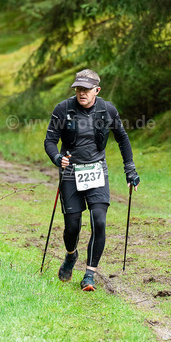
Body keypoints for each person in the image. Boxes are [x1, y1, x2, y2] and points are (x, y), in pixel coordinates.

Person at [44, 68, 140, 291]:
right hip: (71, 172)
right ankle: (71, 255)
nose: (82, 93)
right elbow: (50, 140)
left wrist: (130, 170)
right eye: (78, 88)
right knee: (72, 227)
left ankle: (89, 274)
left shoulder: (107, 110)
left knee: (99, 221)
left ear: (97, 90)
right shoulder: (63, 109)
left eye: (86, 89)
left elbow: (122, 139)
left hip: (97, 170)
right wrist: (57, 158)